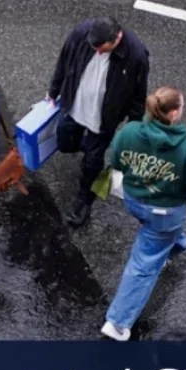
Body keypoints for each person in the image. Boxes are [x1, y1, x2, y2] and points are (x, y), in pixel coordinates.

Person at [101, 86, 186, 341]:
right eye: (180, 106)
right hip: (165, 213)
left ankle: (174, 244)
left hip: (134, 201)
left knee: (160, 235)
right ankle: (117, 322)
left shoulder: (128, 132)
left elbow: (116, 162)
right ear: (172, 114)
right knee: (143, 266)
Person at [47, 17, 150, 227]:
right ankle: (89, 153)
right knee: (65, 142)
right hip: (74, 105)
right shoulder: (82, 34)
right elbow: (64, 61)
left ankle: (85, 200)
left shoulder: (136, 55)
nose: (97, 52)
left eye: (102, 48)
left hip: (103, 119)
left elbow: (139, 95)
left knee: (92, 161)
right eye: (94, 47)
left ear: (117, 37)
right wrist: (54, 91)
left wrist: (133, 127)